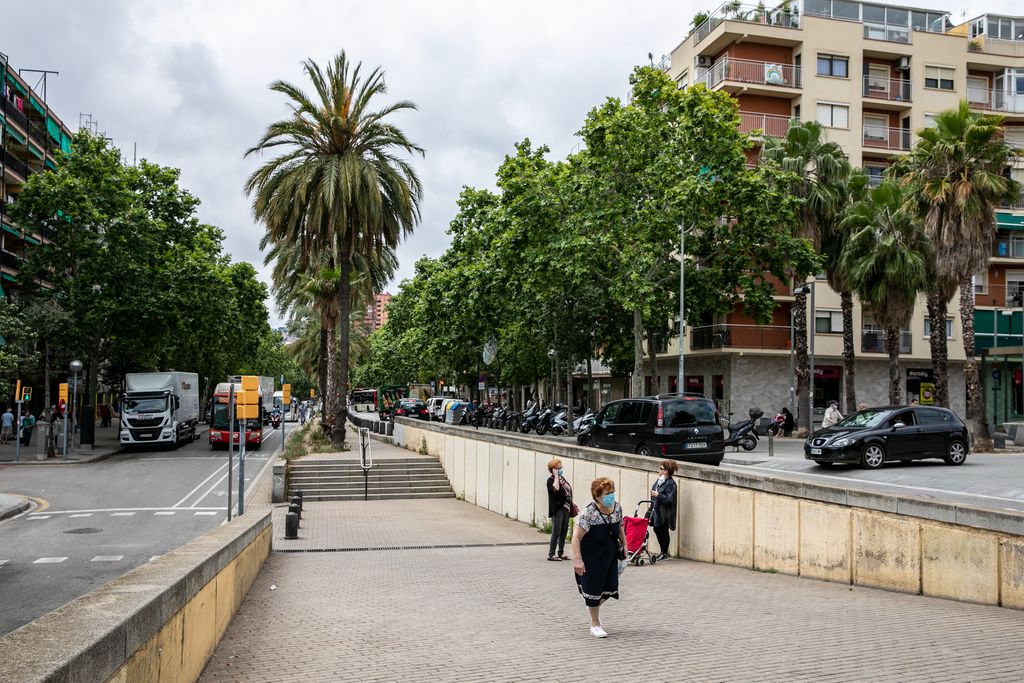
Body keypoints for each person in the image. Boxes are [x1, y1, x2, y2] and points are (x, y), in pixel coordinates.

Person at [572, 476, 627, 638]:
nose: (611, 496)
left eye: (612, 492)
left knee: (610, 589)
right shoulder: (588, 513)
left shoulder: (617, 508)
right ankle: (595, 624)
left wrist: (625, 544)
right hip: (591, 558)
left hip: (609, 556)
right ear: (597, 496)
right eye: (607, 494)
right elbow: (575, 537)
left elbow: (620, 527)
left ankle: (592, 606)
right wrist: (578, 559)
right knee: (593, 591)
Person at [546, 459, 574, 561]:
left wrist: (571, 503)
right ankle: (551, 554)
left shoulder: (562, 479)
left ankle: (560, 553)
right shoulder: (551, 480)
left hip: (566, 508)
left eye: (561, 467)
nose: (561, 469)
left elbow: (567, 492)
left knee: (564, 532)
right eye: (558, 468)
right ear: (553, 469)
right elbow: (556, 489)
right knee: (556, 532)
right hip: (557, 510)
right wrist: (556, 476)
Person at [650, 461, 677, 561]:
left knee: (663, 531)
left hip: (665, 513)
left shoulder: (671, 484)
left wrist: (658, 495)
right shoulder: (660, 480)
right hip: (656, 510)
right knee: (656, 529)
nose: (659, 470)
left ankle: (664, 553)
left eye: (661, 469)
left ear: (666, 471)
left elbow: (670, 499)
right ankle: (662, 551)